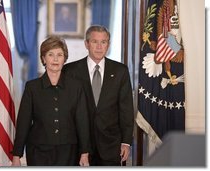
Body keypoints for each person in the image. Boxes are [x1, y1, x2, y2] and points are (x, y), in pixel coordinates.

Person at [12, 36, 90, 166]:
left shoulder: (76, 87)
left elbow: (82, 121)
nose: (55, 59)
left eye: (59, 55)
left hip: (69, 151)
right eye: (50, 54)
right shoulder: (32, 87)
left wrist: (85, 152)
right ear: (43, 58)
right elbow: (23, 122)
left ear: (64, 59)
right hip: (38, 151)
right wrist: (16, 155)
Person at [63, 25, 134, 166]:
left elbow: (126, 109)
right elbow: (66, 110)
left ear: (108, 44)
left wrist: (126, 142)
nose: (99, 47)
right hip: (79, 145)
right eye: (95, 41)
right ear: (86, 44)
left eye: (104, 42)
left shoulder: (120, 71)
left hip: (111, 145)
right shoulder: (70, 71)